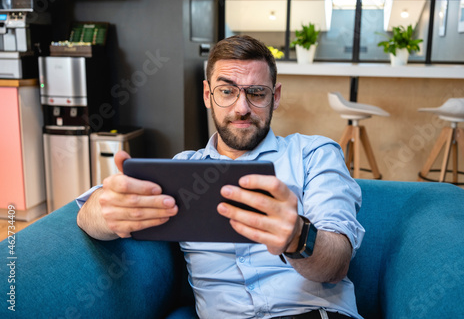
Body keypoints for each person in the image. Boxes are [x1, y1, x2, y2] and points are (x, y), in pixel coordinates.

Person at [76, 35, 365, 319]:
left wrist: (298, 237)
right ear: (207, 95)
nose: (242, 108)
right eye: (227, 91)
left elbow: (337, 263)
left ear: (274, 97)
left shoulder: (313, 154)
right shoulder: (180, 170)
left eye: (257, 93)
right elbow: (87, 216)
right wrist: (107, 208)